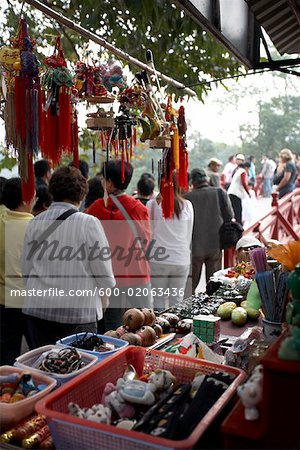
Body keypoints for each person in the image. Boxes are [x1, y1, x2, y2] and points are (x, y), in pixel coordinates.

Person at [22, 166, 115, 348]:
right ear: (82, 195)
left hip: (37, 311)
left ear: (52, 192)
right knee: (76, 370)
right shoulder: (89, 223)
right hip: (78, 314)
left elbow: (26, 270)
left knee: (42, 368)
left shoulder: (34, 222)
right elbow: (104, 275)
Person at [87, 160, 153, 330]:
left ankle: (116, 354)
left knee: (113, 327)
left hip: (110, 275)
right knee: (145, 320)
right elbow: (146, 240)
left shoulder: (96, 208)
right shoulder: (138, 208)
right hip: (137, 271)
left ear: (109, 183)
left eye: (103, 179)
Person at [0, 178, 35, 365]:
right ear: (24, 200)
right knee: (38, 353)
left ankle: (6, 390)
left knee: (6, 354)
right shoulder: (38, 227)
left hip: (3, 302)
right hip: (31, 303)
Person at [147, 175, 194, 309]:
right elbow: (188, 235)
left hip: (158, 259)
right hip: (181, 259)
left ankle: (159, 329)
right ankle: (174, 329)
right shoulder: (187, 206)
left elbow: (148, 231)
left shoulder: (152, 204)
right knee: (177, 301)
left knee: (158, 299)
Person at [185, 168, 234, 293]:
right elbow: (229, 216)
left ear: (193, 183)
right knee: (213, 283)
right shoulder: (219, 192)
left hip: (194, 247)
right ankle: (212, 310)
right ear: (207, 179)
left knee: (190, 285)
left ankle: (187, 310)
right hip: (215, 244)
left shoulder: (186, 198)